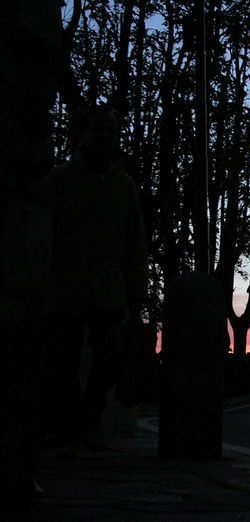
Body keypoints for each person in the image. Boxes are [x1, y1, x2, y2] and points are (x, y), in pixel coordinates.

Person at [42, 104, 149, 452]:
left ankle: (87, 419)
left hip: (108, 287)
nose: (105, 135)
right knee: (62, 361)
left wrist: (136, 293)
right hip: (65, 284)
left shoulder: (124, 185)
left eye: (111, 129)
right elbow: (46, 234)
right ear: (83, 133)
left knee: (110, 357)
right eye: (99, 128)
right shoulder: (61, 178)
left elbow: (135, 241)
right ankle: (69, 425)